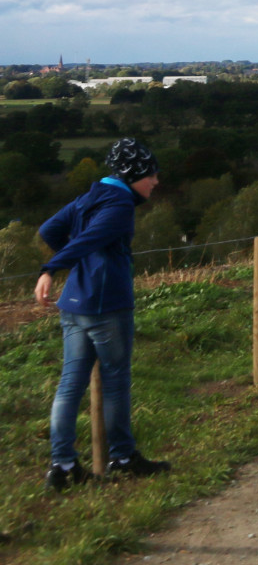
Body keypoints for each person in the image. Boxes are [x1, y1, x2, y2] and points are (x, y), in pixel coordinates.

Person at [35, 138, 174, 490]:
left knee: (69, 385)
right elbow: (93, 237)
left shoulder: (91, 195)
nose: (156, 182)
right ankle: (124, 457)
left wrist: (72, 261)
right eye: (151, 175)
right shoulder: (120, 204)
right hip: (107, 305)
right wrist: (52, 267)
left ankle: (63, 465)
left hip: (74, 305)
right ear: (133, 174)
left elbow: (50, 230)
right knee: (115, 383)